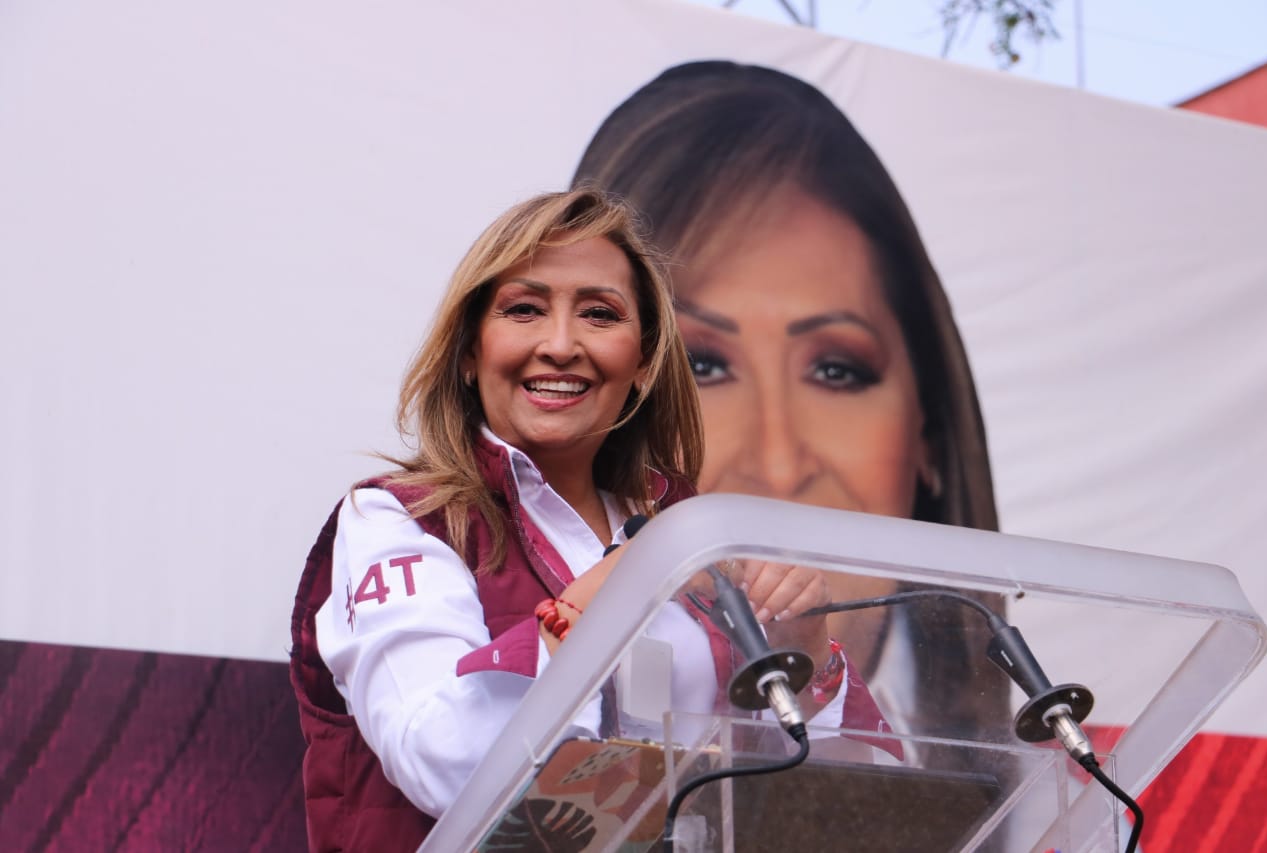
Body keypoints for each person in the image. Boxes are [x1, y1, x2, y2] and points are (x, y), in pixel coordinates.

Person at [289, 188, 887, 851]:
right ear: (468, 353)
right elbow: (443, 760)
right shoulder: (399, 519)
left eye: (600, 314)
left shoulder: (698, 535)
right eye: (524, 309)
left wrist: (804, 651)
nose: (561, 344)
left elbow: (857, 807)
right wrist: (623, 582)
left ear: (643, 362)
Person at [572, 60, 1009, 743]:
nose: (778, 465)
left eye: (836, 370)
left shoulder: (1076, 790)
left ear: (929, 432)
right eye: (700, 365)